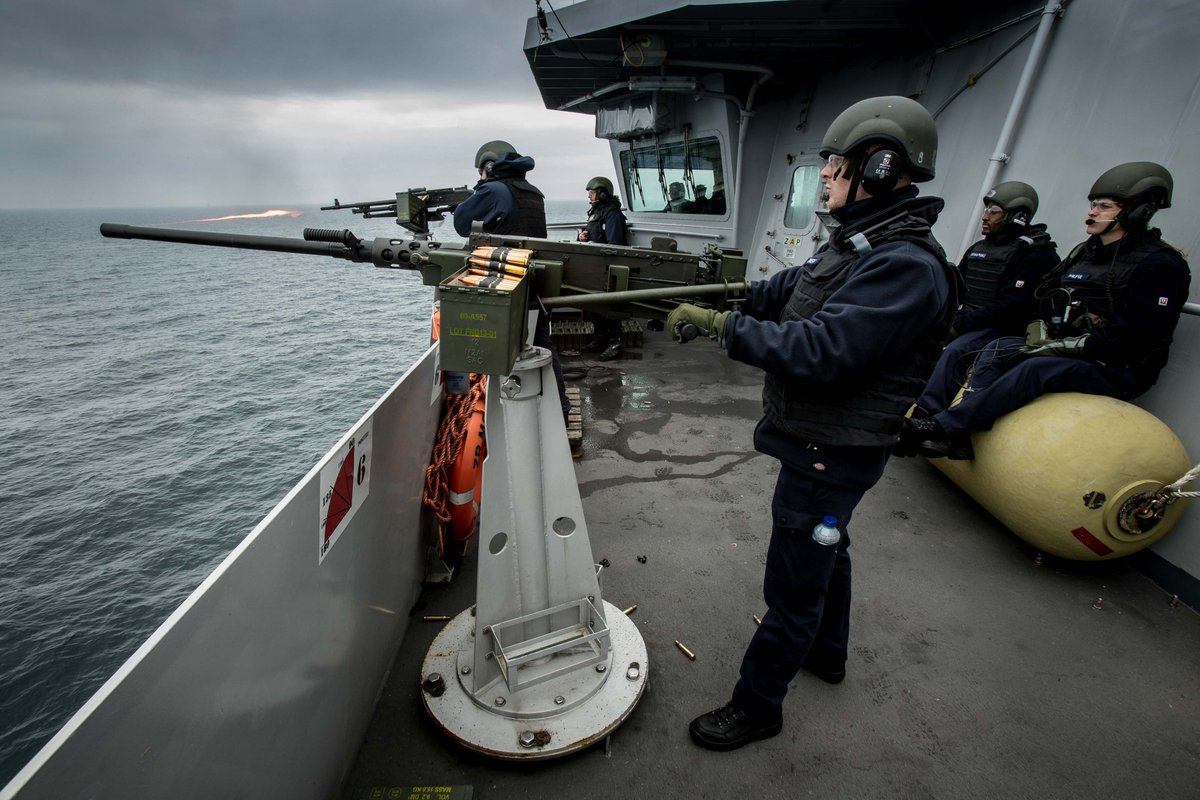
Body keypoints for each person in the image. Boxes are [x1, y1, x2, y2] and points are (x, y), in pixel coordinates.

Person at [666, 96, 958, 751]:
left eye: (835, 162)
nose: (824, 174)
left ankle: (758, 706)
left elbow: (823, 352)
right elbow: (785, 293)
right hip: (823, 448)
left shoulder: (904, 266)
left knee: (794, 584)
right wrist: (715, 298)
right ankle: (828, 655)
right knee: (831, 545)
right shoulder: (858, 245)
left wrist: (718, 328)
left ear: (880, 167)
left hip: (833, 452)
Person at [904, 161, 1190, 460]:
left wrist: (1059, 348)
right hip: (1067, 349)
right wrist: (1045, 336)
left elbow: (1134, 337)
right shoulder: (1086, 253)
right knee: (998, 348)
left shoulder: (1161, 265)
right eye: (1093, 204)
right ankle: (956, 432)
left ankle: (942, 427)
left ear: (1138, 211)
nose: (1092, 212)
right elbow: (1043, 300)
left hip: (1117, 367)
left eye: (1104, 206)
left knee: (1034, 367)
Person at [907, 181, 1059, 457]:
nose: (985, 217)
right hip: (973, 321)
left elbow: (1011, 306)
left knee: (956, 351)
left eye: (994, 211)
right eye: (986, 209)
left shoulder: (1035, 254)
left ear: (1017, 216)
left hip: (1002, 329)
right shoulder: (980, 248)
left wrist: (959, 325)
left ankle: (928, 418)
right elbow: (957, 290)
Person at [452, 140, 572, 419]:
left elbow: (461, 224)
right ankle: (560, 411)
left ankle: (496, 416)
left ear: (489, 168)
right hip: (535, 283)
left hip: (507, 286)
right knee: (543, 346)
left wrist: (471, 198)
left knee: (494, 349)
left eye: (481, 172)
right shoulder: (532, 193)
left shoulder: (493, 189)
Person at [576, 176, 631, 360]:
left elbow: (614, 244)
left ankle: (615, 343)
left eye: (592, 193)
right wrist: (582, 237)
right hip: (595, 266)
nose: (589, 197)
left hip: (609, 267)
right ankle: (600, 338)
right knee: (594, 306)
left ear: (602, 193)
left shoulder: (612, 215)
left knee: (610, 305)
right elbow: (591, 233)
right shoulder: (596, 213)